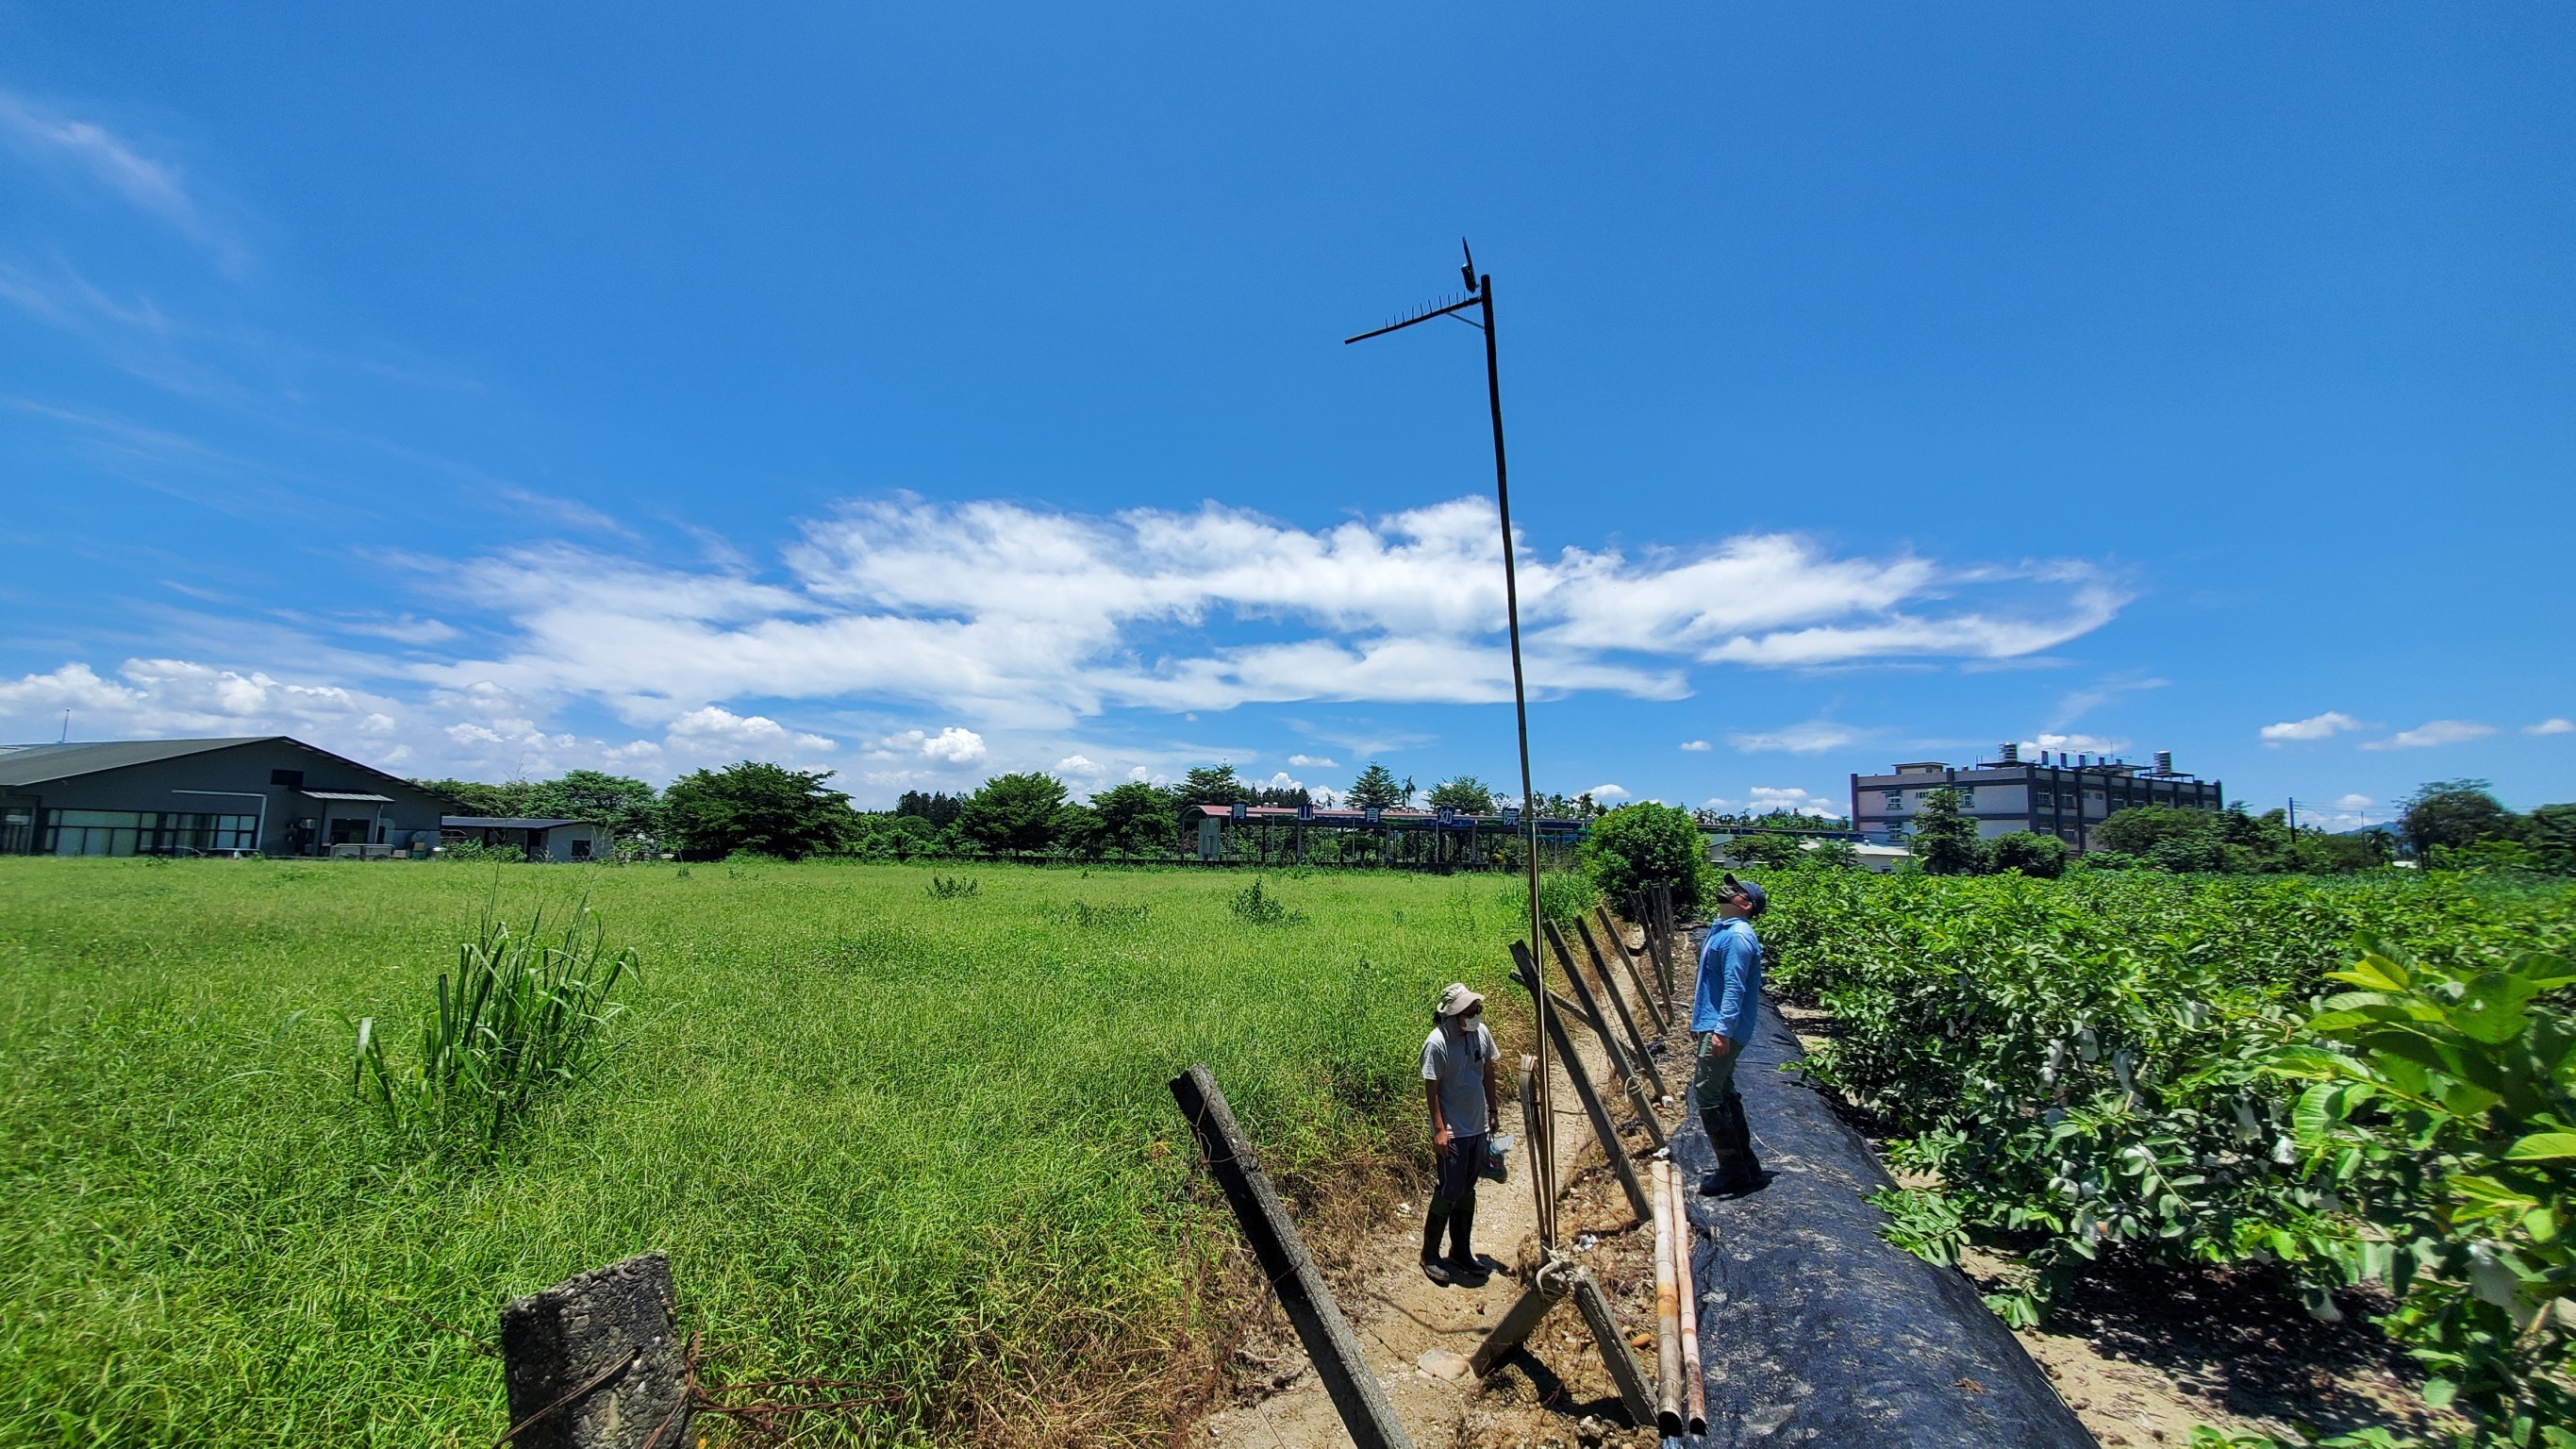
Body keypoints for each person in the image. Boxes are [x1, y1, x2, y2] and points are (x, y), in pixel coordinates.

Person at [1692, 873, 1770, 1195]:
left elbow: (1735, 987)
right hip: (1712, 1023)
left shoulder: (1738, 936)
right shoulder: (1723, 928)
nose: (1728, 890)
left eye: (1736, 890)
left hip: (1722, 1028)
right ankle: (1745, 1163)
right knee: (1723, 1091)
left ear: (1746, 904)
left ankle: (1732, 1170)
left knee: (1707, 1093)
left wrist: (1721, 1032)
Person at [1420, 982, 1502, 1285]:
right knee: (1449, 1189)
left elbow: (1489, 1073)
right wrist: (1440, 1131)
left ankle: (1460, 1251)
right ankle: (1429, 1255)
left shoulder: (1481, 1033)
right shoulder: (1437, 1043)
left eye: (1477, 1010)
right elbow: (1432, 1088)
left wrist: (1492, 1111)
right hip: (1452, 1130)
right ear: (1454, 1015)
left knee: (1468, 1188)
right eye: (1471, 1011)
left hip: (1477, 1125)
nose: (1477, 1015)